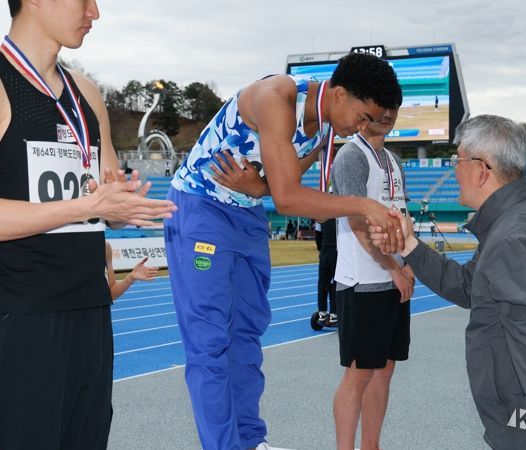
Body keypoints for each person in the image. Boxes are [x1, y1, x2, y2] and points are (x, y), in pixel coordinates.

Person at [163, 52, 404, 450]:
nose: (361, 128)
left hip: (246, 214)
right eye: (363, 117)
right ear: (339, 94)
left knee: (246, 334)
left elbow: (278, 186)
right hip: (201, 207)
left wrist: (259, 188)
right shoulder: (276, 98)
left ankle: (250, 440)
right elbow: (289, 198)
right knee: (210, 341)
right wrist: (363, 205)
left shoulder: (324, 128)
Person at [0, 1, 176, 449]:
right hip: (21, 316)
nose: (94, 12)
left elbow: (102, 196)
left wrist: (120, 206)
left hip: (91, 312)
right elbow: (85, 204)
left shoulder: (86, 93)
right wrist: (84, 206)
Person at [371, 115, 526, 450]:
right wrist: (409, 246)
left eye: (458, 160)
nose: (454, 170)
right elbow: (470, 286)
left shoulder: (513, 238)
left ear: (481, 170)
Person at [331, 108, 414, 450]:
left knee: (385, 369)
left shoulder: (393, 161)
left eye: (393, 108)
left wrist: (407, 262)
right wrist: (393, 268)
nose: (388, 115)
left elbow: (404, 216)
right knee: (360, 372)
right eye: (380, 108)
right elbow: (357, 223)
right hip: (362, 281)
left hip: (394, 280)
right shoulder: (351, 156)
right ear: (363, 113)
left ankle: (371, 445)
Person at [315, 217, 338, 326]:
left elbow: (318, 235)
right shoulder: (340, 216)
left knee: (322, 284)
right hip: (336, 252)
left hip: (324, 251)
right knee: (336, 284)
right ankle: (334, 315)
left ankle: (322, 313)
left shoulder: (320, 216)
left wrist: (320, 249)